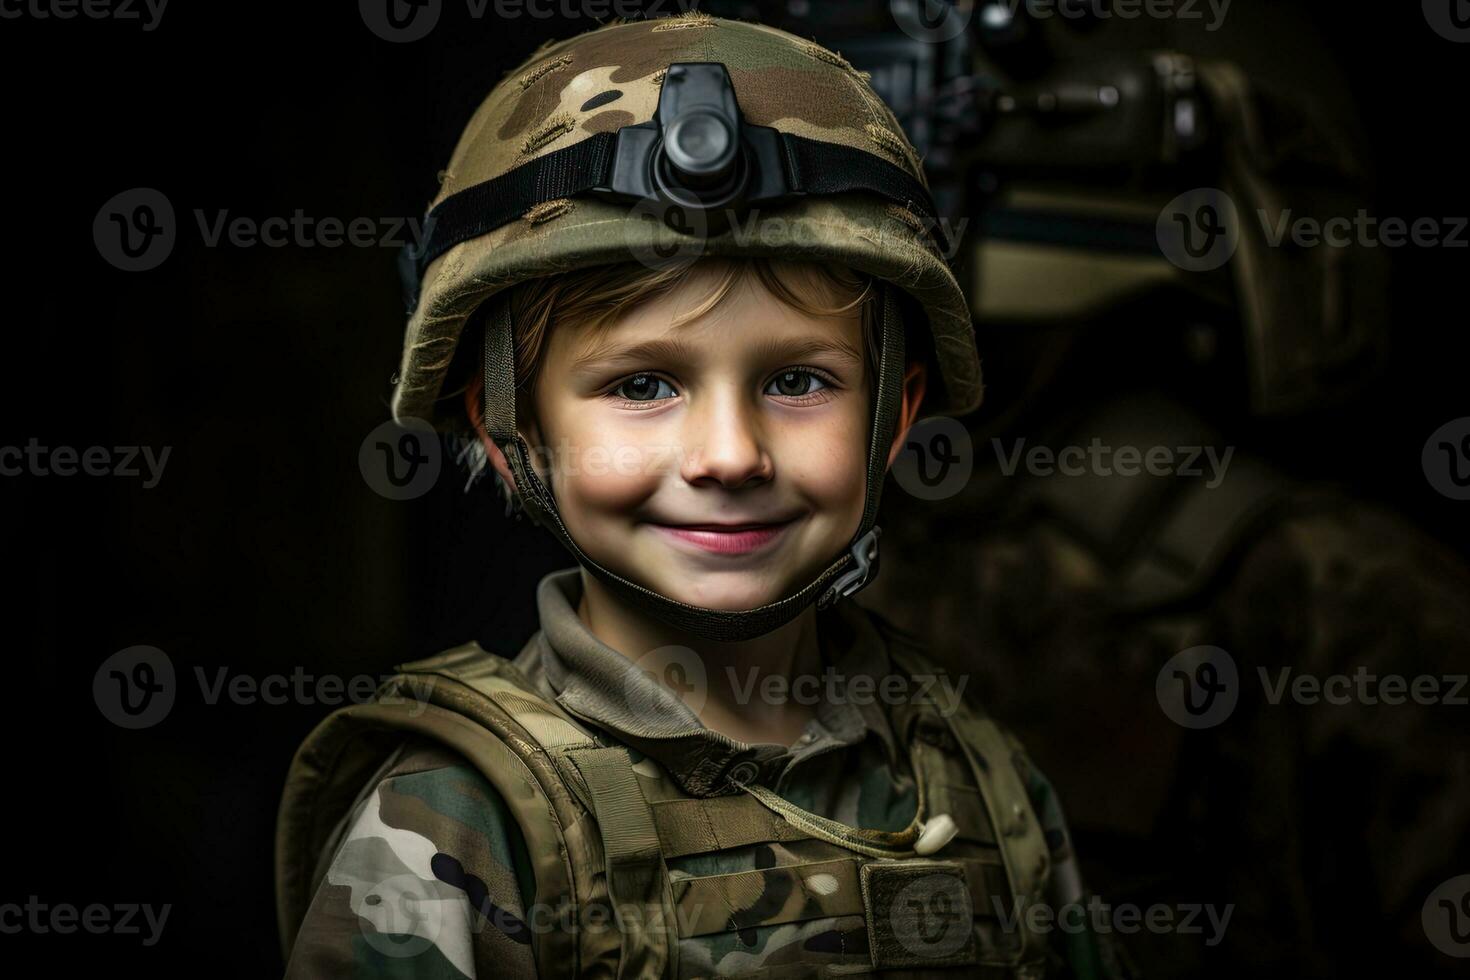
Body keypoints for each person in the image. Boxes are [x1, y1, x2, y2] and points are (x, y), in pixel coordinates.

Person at [274, 12, 1130, 978]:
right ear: (508, 435)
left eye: (798, 382)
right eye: (642, 385)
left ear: (895, 416)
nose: (729, 456)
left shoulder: (974, 771)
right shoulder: (458, 823)